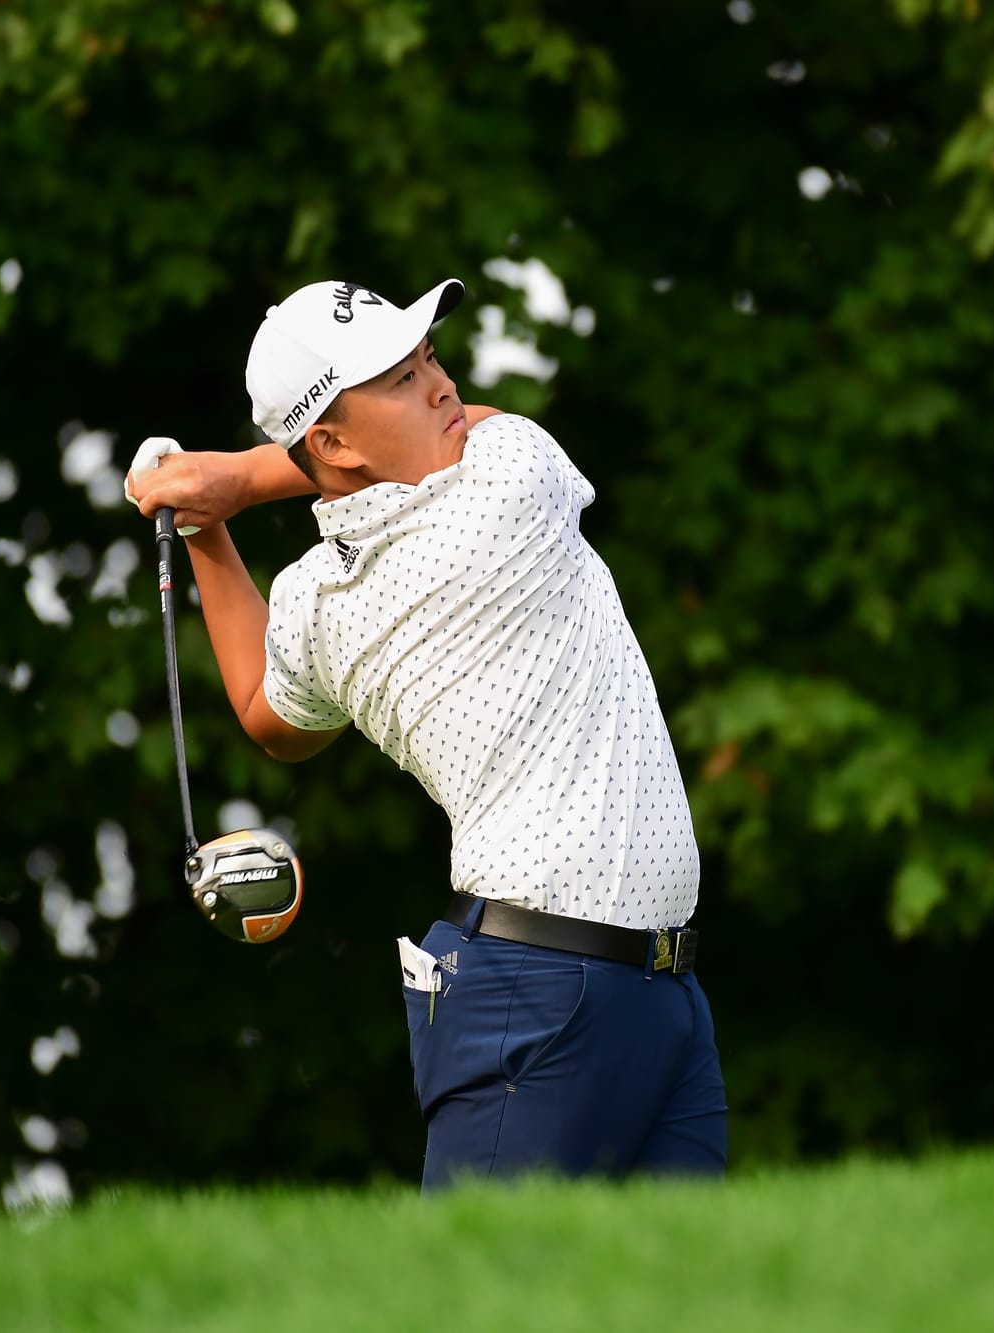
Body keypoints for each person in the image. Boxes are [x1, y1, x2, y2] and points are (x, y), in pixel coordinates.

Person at [126, 276, 727, 1189]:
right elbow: (480, 422)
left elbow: (264, 713)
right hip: (540, 990)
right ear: (328, 440)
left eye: (430, 360)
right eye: (403, 379)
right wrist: (238, 482)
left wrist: (210, 526)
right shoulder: (507, 476)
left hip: (654, 988)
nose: (443, 385)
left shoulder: (316, 603)